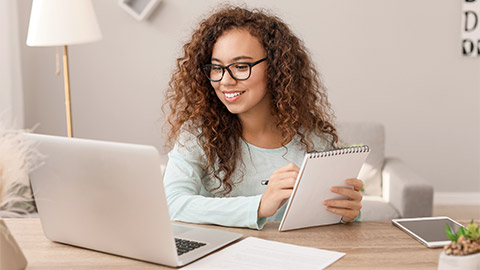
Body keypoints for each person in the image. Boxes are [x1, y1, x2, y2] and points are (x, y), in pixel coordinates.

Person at [162, 5, 363, 230]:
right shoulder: (198, 134)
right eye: (217, 68)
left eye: (240, 66)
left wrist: (348, 213)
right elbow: (171, 204)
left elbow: (326, 222)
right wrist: (258, 206)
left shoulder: (315, 140)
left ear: (276, 69)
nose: (225, 81)